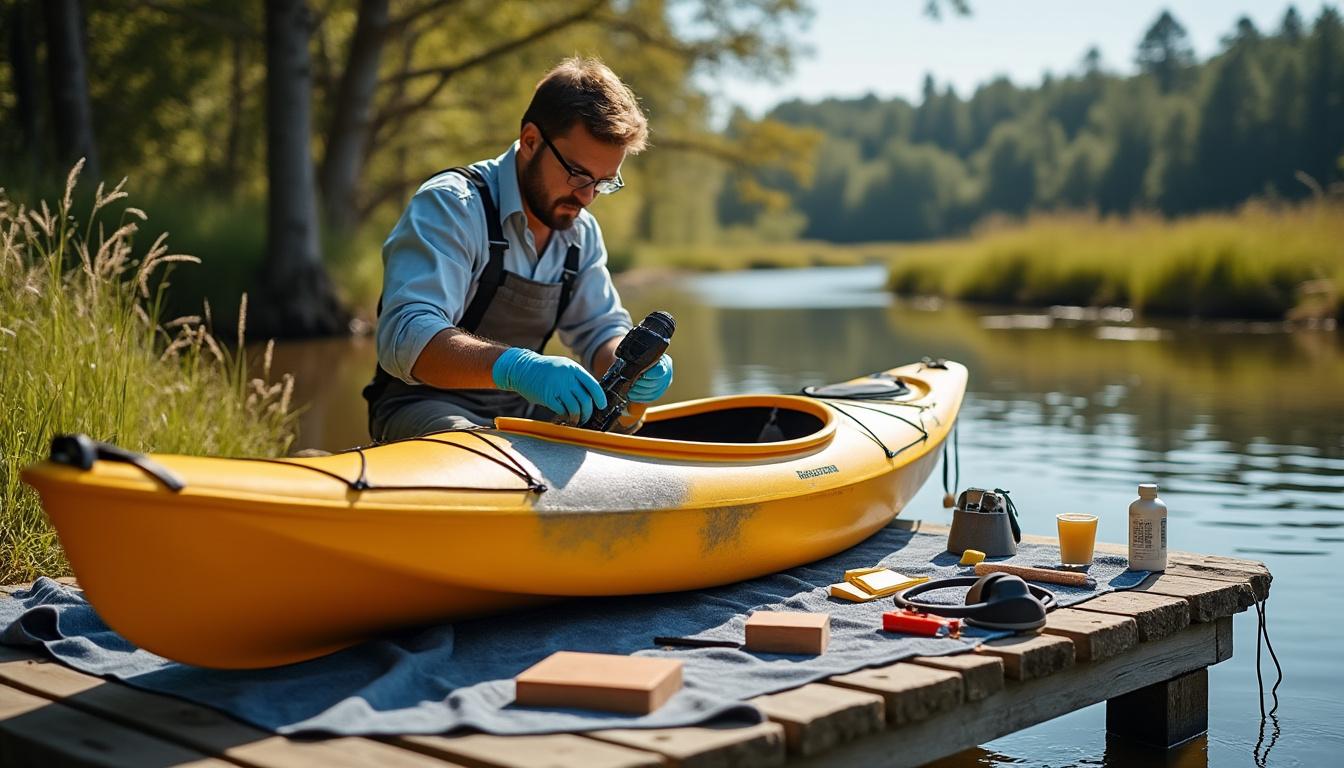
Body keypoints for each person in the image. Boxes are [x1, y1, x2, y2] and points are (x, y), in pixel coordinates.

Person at [364, 57, 673, 442]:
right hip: (425, 409)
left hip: (519, 415)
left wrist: (631, 367)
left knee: (614, 442)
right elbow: (405, 336)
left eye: (604, 182)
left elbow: (599, 331)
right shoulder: (452, 205)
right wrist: (517, 368)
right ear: (530, 141)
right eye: (577, 174)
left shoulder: (581, 232)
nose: (588, 197)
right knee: (480, 455)